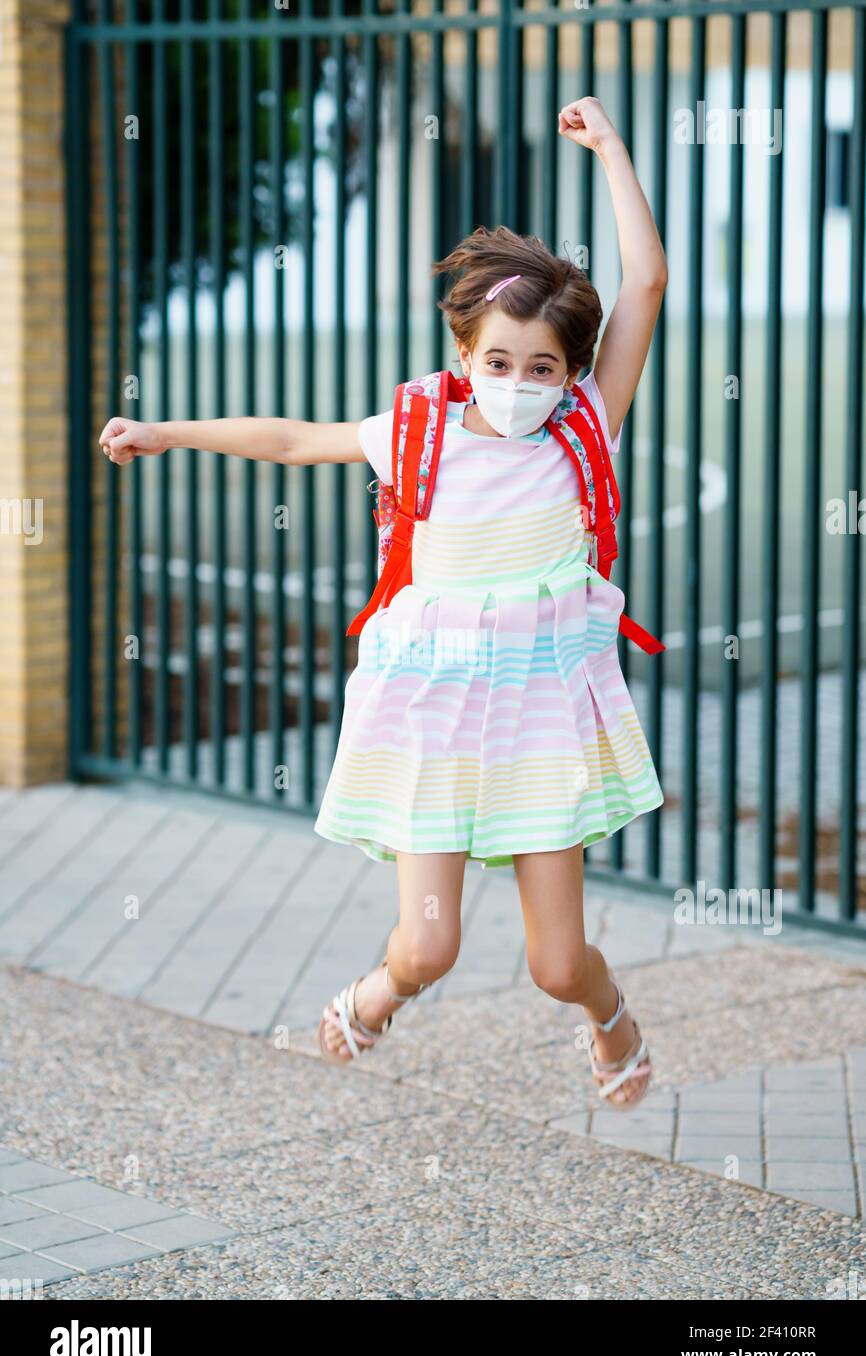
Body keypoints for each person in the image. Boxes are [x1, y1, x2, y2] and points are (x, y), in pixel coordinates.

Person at [100, 96, 666, 1110]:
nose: (517, 382)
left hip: (538, 713)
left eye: (541, 368)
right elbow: (289, 438)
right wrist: (167, 431)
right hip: (435, 710)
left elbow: (646, 281)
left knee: (554, 962)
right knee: (429, 943)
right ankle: (373, 995)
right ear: (464, 359)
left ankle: (609, 1014)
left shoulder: (586, 425)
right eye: (497, 362)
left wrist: (612, 151)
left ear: (571, 373)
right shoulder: (419, 431)